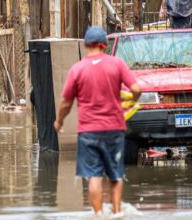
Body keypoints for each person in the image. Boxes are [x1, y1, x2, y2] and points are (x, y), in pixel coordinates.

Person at [54, 26, 141, 215]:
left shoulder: (77, 69)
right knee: (115, 175)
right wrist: (131, 102)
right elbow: (136, 89)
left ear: (86, 45)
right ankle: (117, 213)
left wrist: (59, 122)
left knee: (94, 175)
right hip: (114, 129)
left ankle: (99, 215)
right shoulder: (117, 64)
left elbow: (65, 102)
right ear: (105, 45)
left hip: (88, 131)